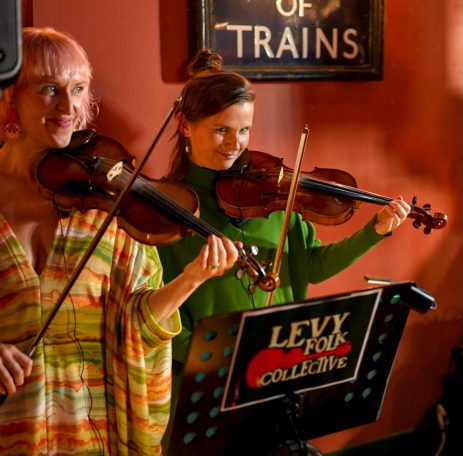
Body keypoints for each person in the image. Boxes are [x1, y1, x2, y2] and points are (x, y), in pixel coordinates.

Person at [0, 28, 239, 455]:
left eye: (78, 89)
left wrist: (191, 279)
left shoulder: (106, 204)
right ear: (10, 95)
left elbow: (135, 323)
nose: (68, 107)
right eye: (49, 89)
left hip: (90, 435)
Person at [157, 49, 411, 449]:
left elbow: (310, 266)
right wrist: (225, 361)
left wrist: (374, 230)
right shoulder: (165, 211)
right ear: (184, 126)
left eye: (244, 131)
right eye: (221, 130)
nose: (234, 146)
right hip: (209, 388)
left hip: (279, 380)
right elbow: (163, 323)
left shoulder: (273, 195)